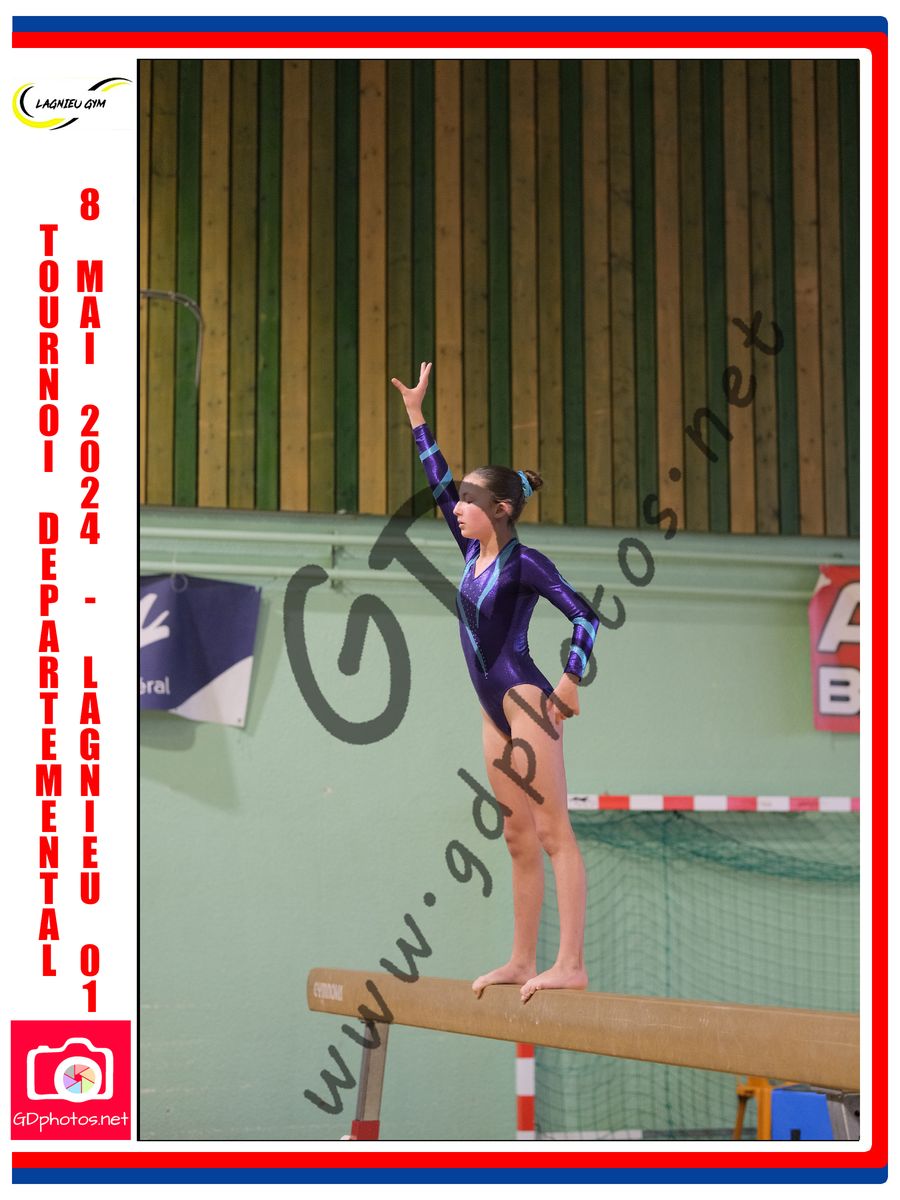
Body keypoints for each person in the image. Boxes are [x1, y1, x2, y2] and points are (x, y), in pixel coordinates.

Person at [391, 362, 600, 1002]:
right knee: (516, 836)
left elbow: (585, 615)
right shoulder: (470, 556)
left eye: (470, 503)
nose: (457, 508)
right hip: (492, 711)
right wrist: (417, 417)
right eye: (459, 503)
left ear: (501, 510)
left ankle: (571, 963)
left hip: (526, 700)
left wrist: (570, 678)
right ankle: (520, 958)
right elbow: (438, 481)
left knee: (553, 832)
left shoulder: (526, 562)